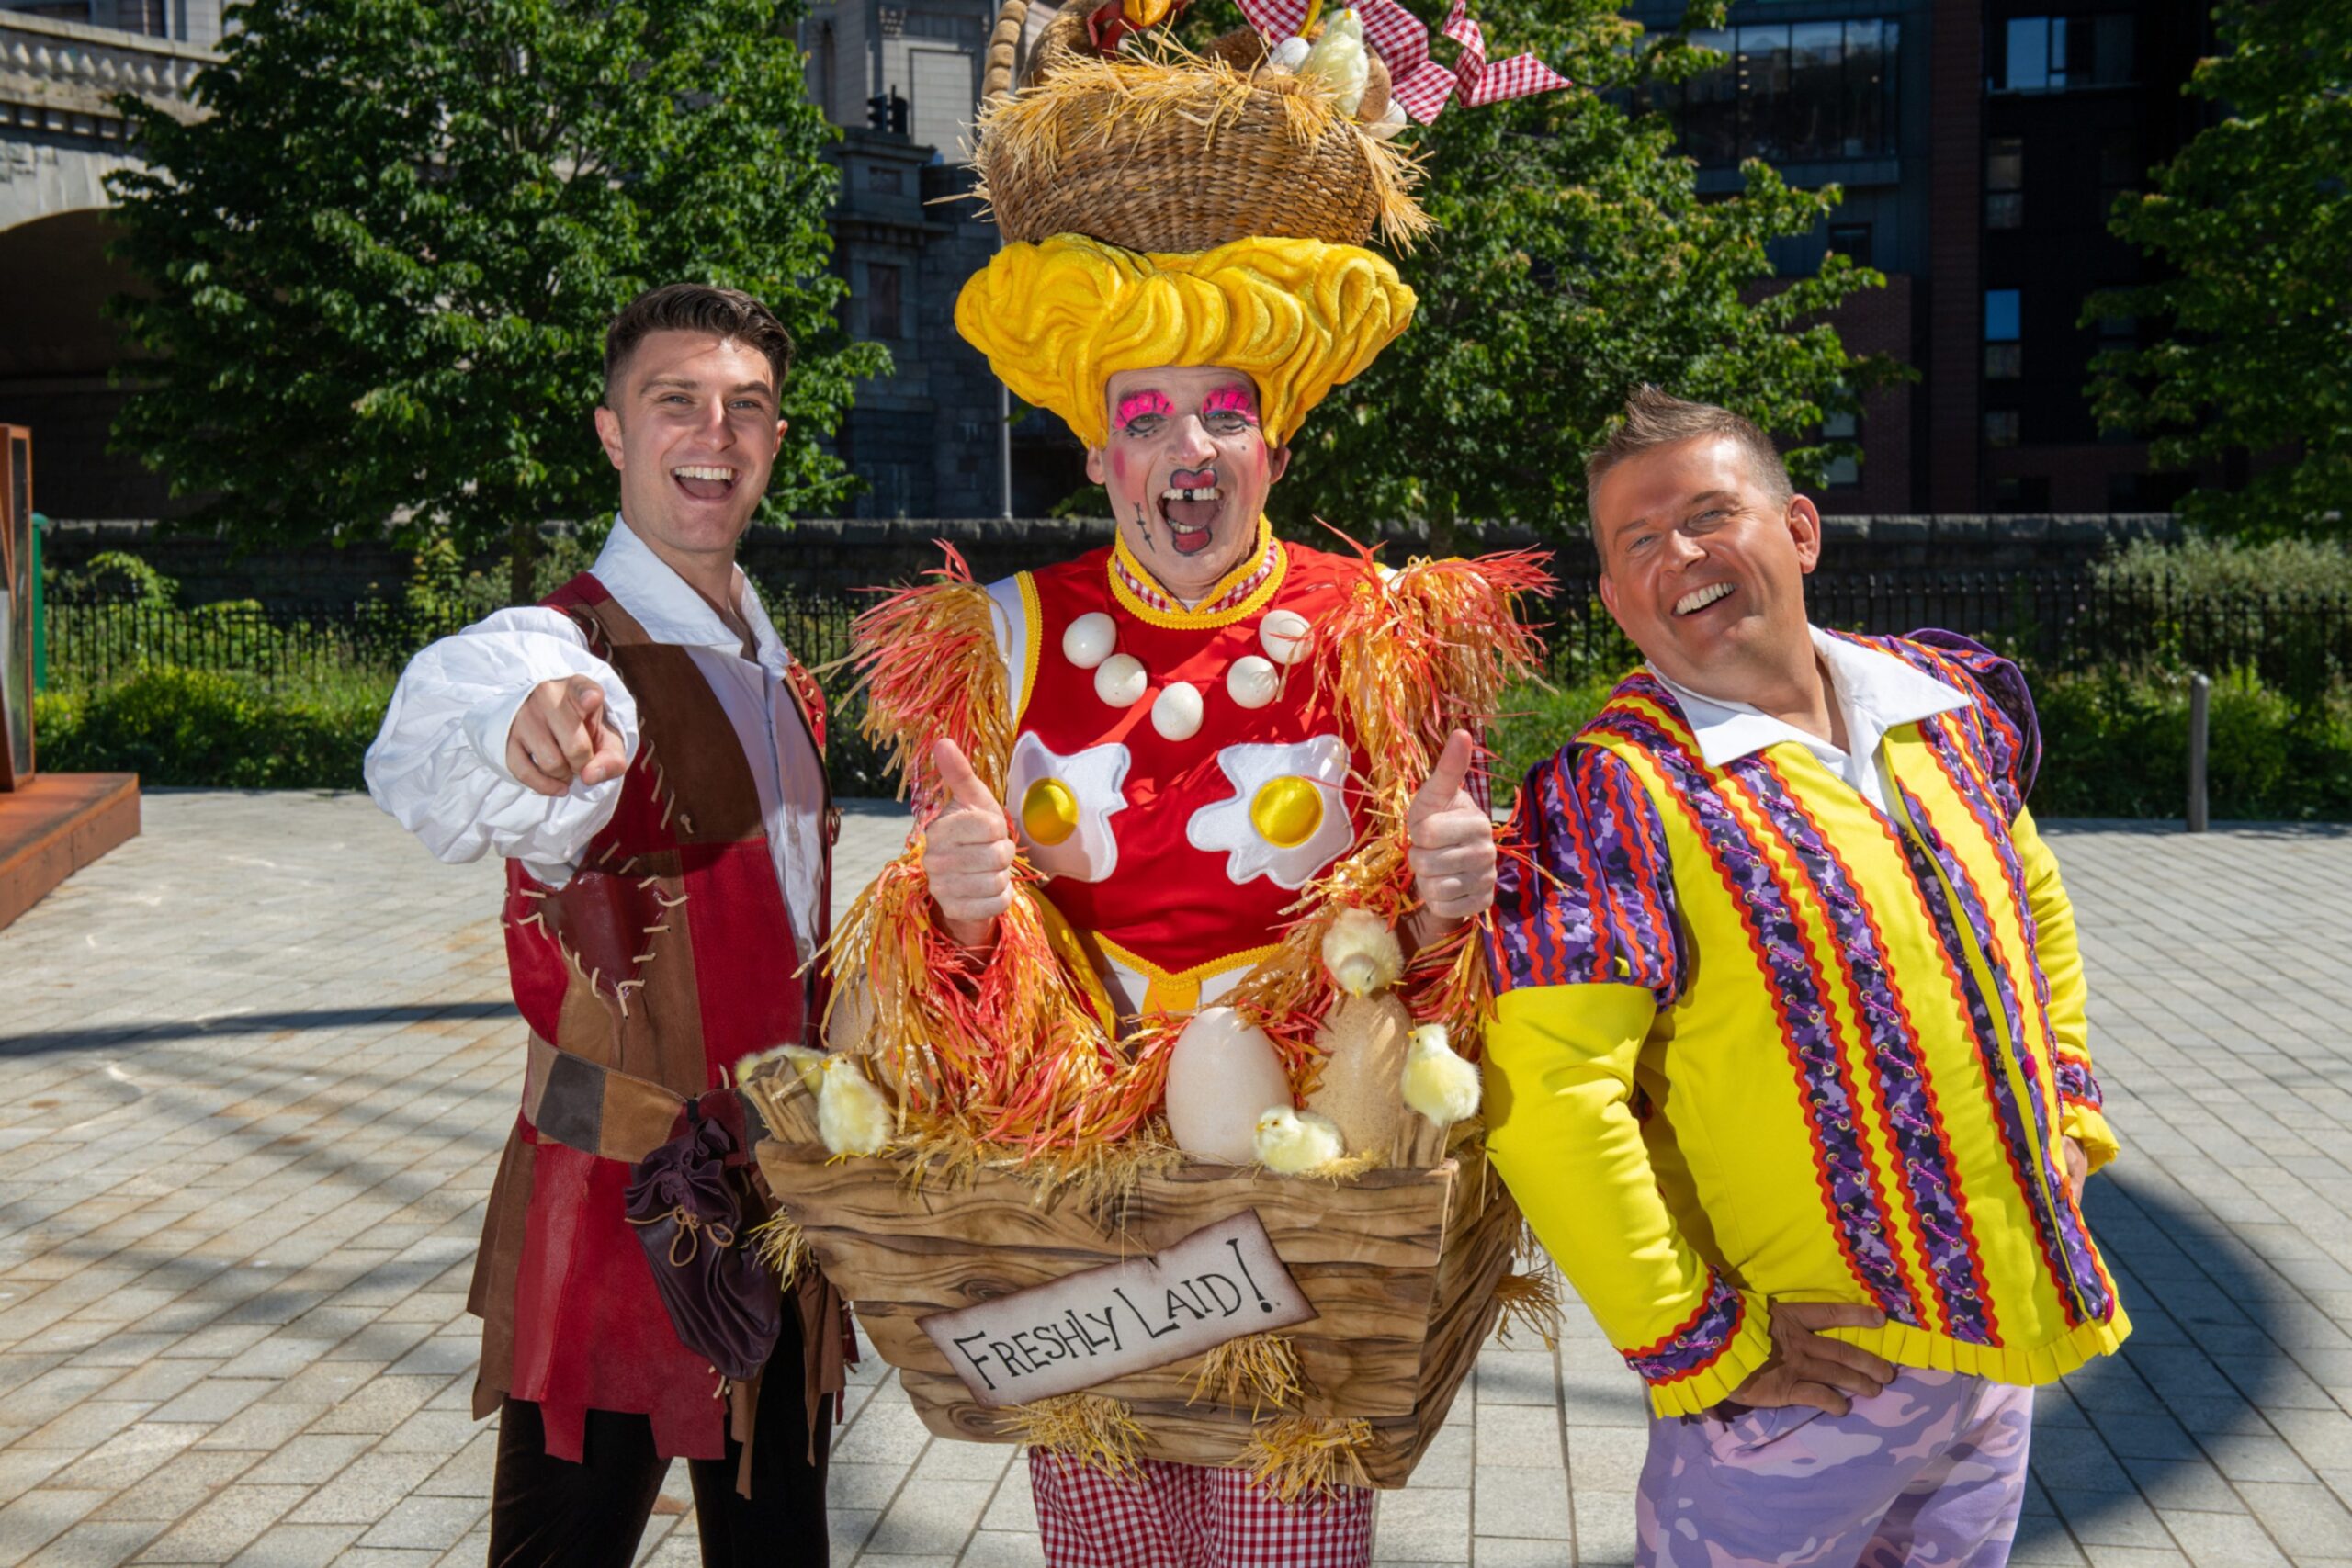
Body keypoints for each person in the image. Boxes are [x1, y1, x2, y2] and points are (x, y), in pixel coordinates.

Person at [1482, 387, 2132, 1567]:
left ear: (1798, 532)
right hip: (1801, 1399)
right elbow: (1547, 1095)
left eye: (1707, 513)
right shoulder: (1613, 793)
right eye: (1637, 543)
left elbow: (2030, 907)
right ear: (1620, 599)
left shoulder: (1934, 711)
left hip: (1997, 1358)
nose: (1677, 553)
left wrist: (2072, 1112)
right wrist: (1700, 1342)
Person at [364, 283, 844, 1568]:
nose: (714, 430)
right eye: (673, 399)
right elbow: (460, 713)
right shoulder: (570, 646)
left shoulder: (779, 667)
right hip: (615, 1208)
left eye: (746, 406)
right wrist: (525, 728)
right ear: (611, 432)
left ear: (776, 443)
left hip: (781, 1201)